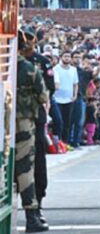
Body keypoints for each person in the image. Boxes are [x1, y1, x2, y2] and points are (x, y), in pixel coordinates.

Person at [15, 28, 50, 232]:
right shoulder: (29, 68)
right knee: (26, 169)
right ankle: (32, 215)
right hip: (25, 123)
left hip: (6, 123)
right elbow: (43, 96)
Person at [52, 52, 78, 146]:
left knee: (68, 122)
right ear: (61, 57)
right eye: (65, 56)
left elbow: (75, 84)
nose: (67, 58)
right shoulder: (55, 69)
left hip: (69, 99)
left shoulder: (73, 70)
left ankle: (65, 143)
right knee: (59, 121)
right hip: (57, 99)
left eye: (68, 56)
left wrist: (75, 95)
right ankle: (57, 142)